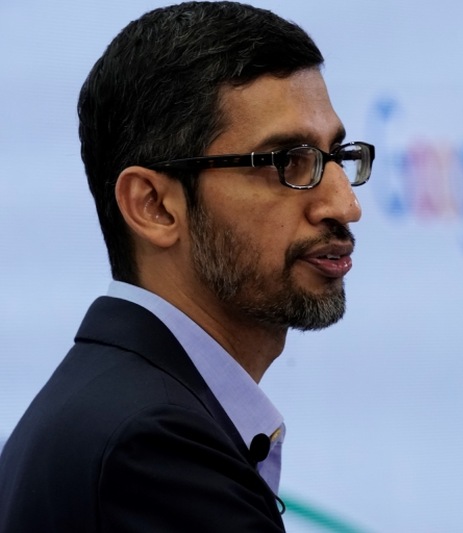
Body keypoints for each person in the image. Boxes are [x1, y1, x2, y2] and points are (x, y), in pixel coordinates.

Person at [0, 2, 374, 531]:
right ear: (153, 205)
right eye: (286, 161)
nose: (343, 205)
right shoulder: (150, 446)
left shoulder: (117, 406)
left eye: (336, 157)